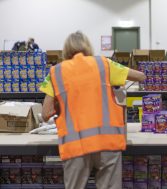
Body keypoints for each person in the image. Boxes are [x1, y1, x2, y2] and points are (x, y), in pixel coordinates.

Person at [39, 31, 146, 189]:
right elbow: (140, 76)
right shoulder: (104, 64)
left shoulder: (56, 73)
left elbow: (45, 114)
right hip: (107, 142)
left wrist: (63, 104)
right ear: (88, 47)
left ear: (66, 49)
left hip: (75, 144)